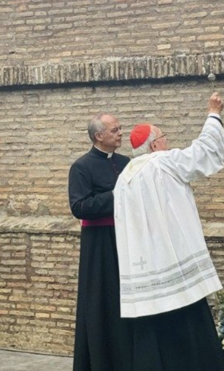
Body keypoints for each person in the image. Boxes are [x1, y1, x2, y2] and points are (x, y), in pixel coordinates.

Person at [112, 92, 224, 371]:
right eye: (164, 137)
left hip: (144, 268)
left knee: (153, 331)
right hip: (171, 262)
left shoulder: (123, 179)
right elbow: (204, 152)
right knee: (187, 323)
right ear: (155, 145)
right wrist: (213, 114)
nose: (167, 141)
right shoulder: (162, 162)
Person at [68, 113, 133, 371]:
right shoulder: (82, 167)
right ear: (99, 136)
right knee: (101, 302)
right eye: (115, 130)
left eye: (120, 128)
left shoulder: (126, 163)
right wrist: (117, 195)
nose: (121, 133)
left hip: (127, 240)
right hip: (99, 244)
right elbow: (80, 207)